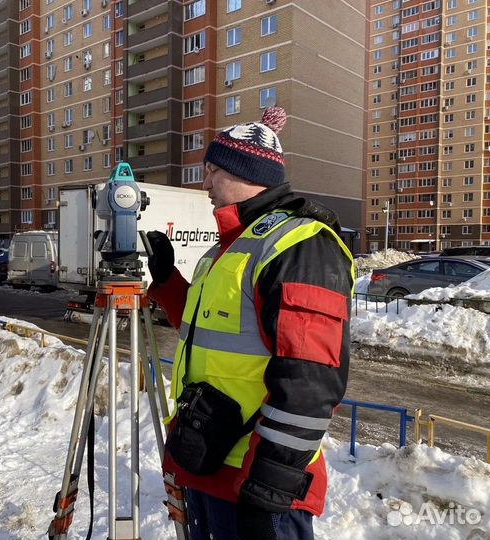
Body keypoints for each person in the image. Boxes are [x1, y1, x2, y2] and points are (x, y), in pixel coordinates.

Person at [146, 107, 354, 540]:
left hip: (255, 486)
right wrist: (166, 280)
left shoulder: (300, 245)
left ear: (247, 171)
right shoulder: (229, 246)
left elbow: (309, 384)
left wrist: (268, 490)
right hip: (210, 463)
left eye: (213, 171)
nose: (203, 184)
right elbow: (209, 330)